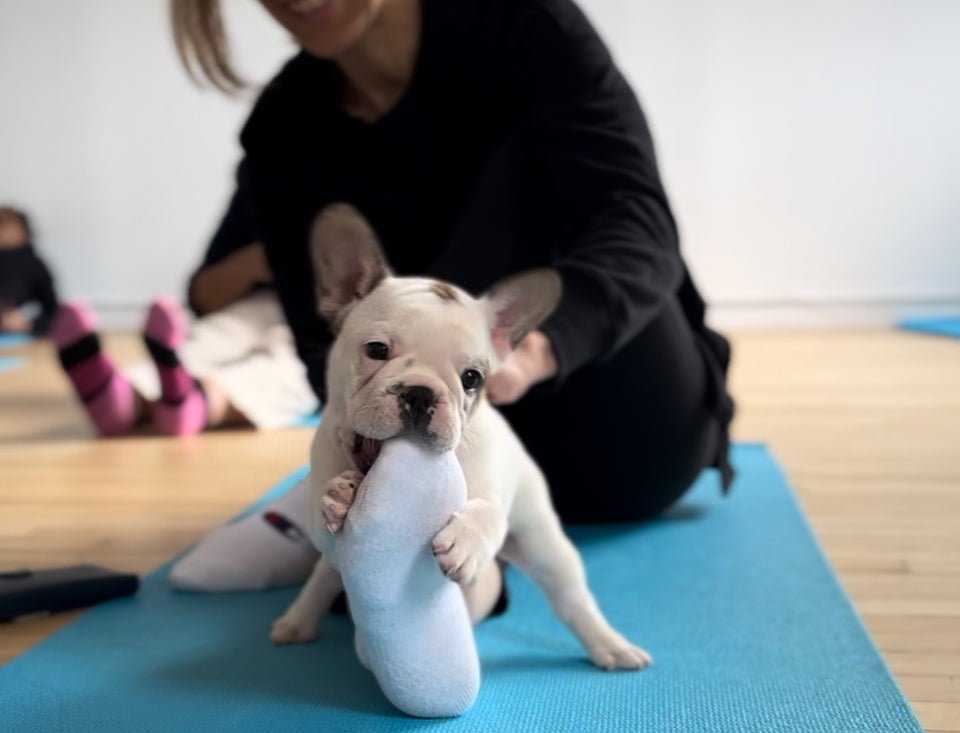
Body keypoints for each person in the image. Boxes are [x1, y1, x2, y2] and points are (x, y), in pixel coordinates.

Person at [168, 0, 735, 595]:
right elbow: (318, 339)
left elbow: (639, 227)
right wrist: (346, 450)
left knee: (519, 168)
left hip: (624, 432)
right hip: (432, 450)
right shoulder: (283, 126)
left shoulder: (525, 25)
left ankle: (382, 513)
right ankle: (369, 508)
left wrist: (529, 351)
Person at [50, 161, 317, 438]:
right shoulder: (260, 177)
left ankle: (186, 400)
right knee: (211, 337)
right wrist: (251, 264)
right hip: (264, 300)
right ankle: (130, 397)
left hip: (328, 318)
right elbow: (202, 296)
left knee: (293, 364)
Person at [0, 206, 58, 337]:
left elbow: (52, 310)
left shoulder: (34, 265)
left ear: (24, 232)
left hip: (23, 336)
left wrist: (31, 324)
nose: (5, 234)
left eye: (10, 229)